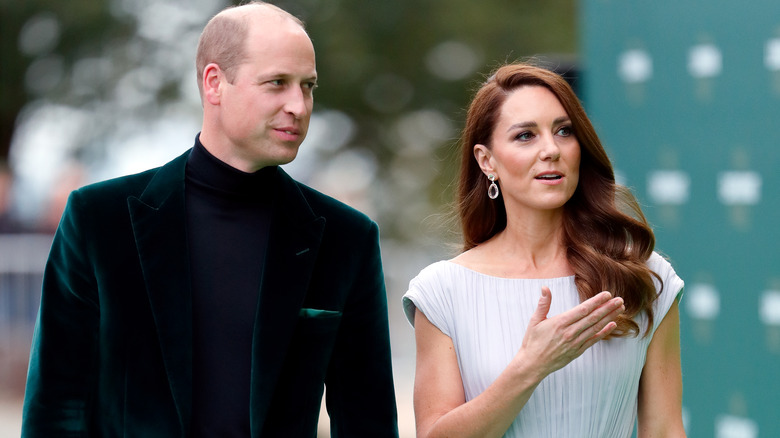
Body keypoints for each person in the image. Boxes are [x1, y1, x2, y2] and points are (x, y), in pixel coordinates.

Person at [22, 2, 398, 436]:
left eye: (308, 86)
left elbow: (367, 419)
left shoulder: (346, 238)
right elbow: (56, 405)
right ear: (215, 83)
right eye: (277, 83)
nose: (299, 104)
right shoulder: (98, 220)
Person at [402, 63, 686, 438]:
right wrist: (530, 367)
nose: (551, 150)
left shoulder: (643, 276)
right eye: (525, 136)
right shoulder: (442, 290)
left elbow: (665, 430)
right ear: (487, 161)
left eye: (564, 131)